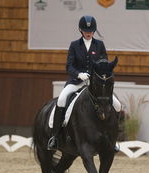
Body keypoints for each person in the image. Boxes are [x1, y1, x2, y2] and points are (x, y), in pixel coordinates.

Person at [48, 15, 122, 150]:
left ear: (94, 31)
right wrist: (79, 74)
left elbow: (104, 64)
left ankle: (114, 138)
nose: (88, 33)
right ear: (80, 30)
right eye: (86, 31)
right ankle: (55, 136)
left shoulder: (99, 45)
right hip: (76, 82)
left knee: (117, 104)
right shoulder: (74, 45)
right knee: (62, 99)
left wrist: (97, 75)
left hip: (95, 85)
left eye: (91, 31)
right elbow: (68, 66)